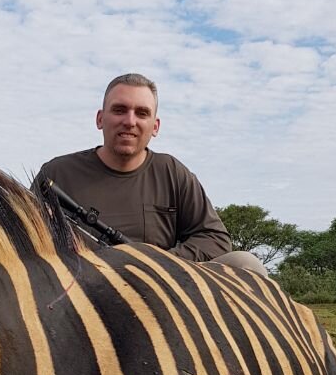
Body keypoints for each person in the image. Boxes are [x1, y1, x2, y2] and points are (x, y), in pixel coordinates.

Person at [36, 73, 266, 274]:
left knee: (246, 263)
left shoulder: (172, 172)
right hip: (79, 288)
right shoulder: (56, 173)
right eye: (119, 110)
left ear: (155, 126)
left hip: (162, 288)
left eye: (142, 113)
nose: (130, 121)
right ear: (100, 119)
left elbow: (214, 238)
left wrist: (159, 264)